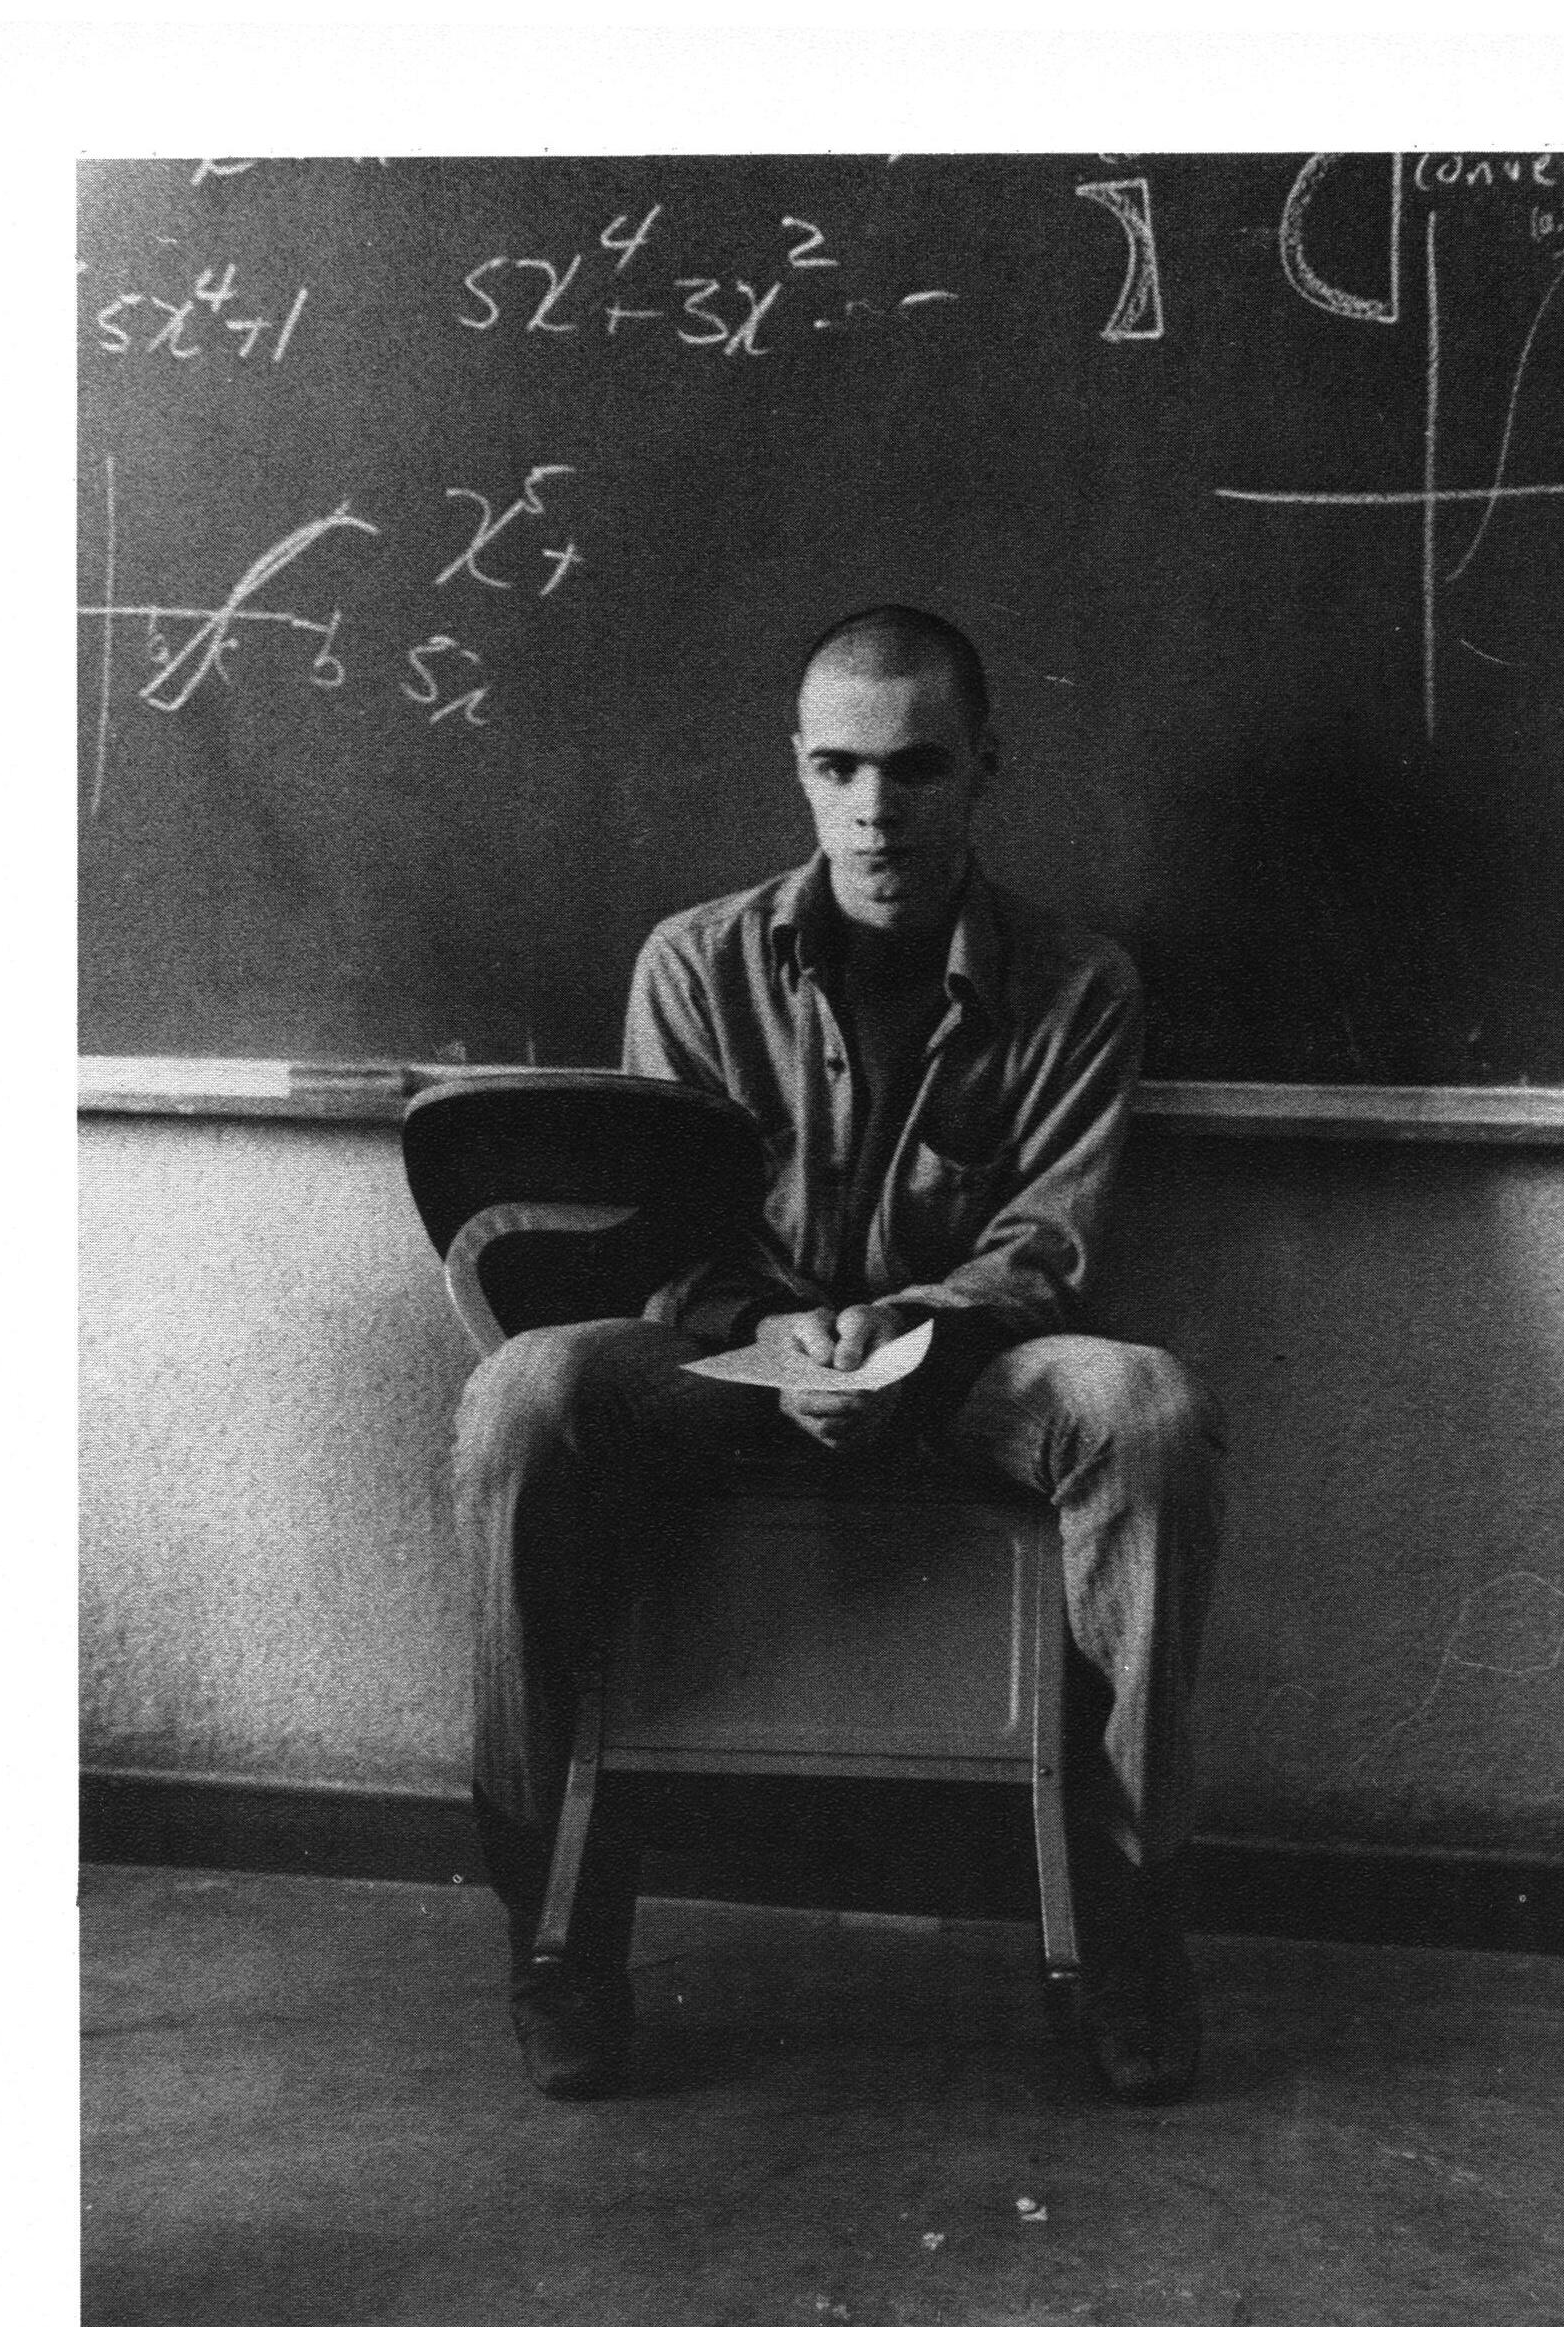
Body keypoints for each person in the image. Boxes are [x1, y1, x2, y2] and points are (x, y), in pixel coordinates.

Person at [453, 606, 1226, 2104]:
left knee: (1147, 1407)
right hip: (732, 1362)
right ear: (800, 769)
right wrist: (766, 1327)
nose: (877, 809)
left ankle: (1132, 1924)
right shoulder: (693, 964)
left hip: (965, 1372)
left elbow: (1048, 1245)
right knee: (524, 1392)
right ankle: (555, 1918)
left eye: (918, 767)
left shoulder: (1080, 985)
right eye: (840, 768)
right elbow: (668, 1233)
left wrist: (908, 1334)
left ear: (985, 768)